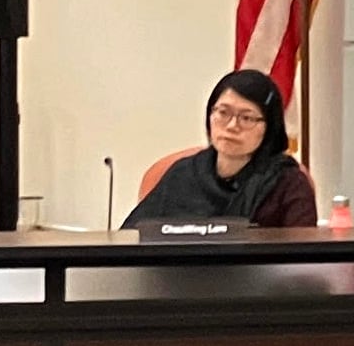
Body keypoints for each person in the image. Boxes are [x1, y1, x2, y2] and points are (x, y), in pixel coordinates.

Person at [123, 69, 320, 228]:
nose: (232, 126)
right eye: (223, 113)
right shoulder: (183, 173)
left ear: (269, 127)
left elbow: (302, 255)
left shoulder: (288, 183)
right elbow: (133, 237)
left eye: (247, 118)